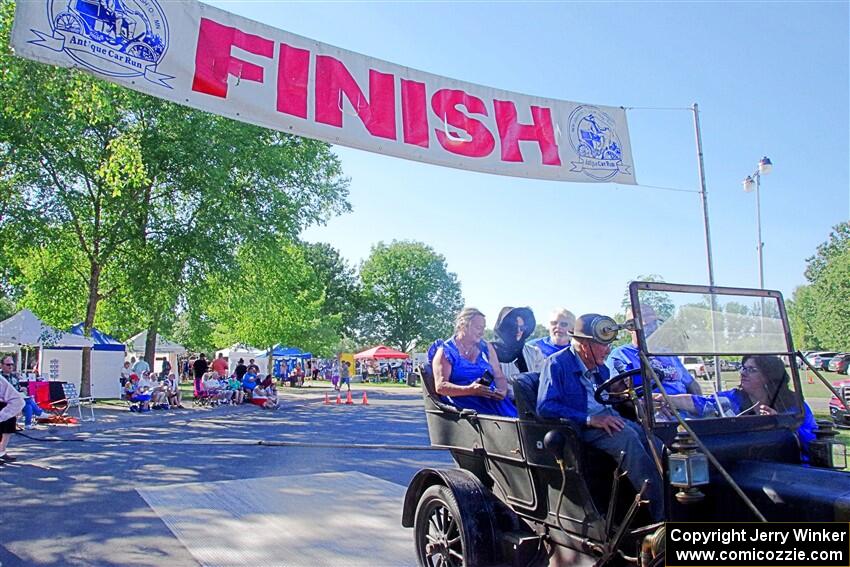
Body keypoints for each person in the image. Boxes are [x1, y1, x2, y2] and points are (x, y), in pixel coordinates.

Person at [537, 313, 663, 521]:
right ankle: (663, 517)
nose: (608, 350)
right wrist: (590, 419)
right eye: (603, 345)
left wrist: (626, 395)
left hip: (611, 420)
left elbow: (609, 396)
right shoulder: (557, 364)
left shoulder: (601, 368)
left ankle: (677, 494)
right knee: (629, 440)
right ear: (585, 345)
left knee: (654, 442)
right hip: (581, 429)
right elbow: (545, 406)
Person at [658, 355, 817, 459]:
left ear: (769, 377)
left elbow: (813, 441)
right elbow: (698, 402)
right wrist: (665, 399)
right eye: (743, 368)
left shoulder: (795, 405)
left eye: (751, 370)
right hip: (746, 467)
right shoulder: (733, 399)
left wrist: (781, 425)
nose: (743, 373)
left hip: (793, 467)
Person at [430, 307, 517, 417]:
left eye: (483, 328)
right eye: (478, 328)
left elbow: (498, 375)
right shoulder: (445, 351)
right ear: (463, 326)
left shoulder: (486, 347)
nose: (482, 333)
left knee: (518, 421)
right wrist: (470, 390)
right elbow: (441, 386)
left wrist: (502, 391)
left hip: (491, 400)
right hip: (465, 406)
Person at [606, 305, 702, 396]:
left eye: (653, 323)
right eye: (646, 325)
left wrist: (701, 406)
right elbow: (622, 395)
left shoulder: (667, 354)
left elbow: (691, 384)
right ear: (629, 327)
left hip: (684, 408)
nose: (652, 329)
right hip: (651, 410)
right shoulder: (621, 355)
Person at [491, 306, 536, 380]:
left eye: (522, 328)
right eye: (514, 327)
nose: (518, 331)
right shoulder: (488, 352)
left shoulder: (534, 353)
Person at [0, 371, 24, 464]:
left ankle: (1, 452)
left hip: (6, 404)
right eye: (8, 364)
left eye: (11, 365)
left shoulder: (3, 380)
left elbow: (18, 400)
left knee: (7, 430)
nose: (10, 367)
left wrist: (13, 410)